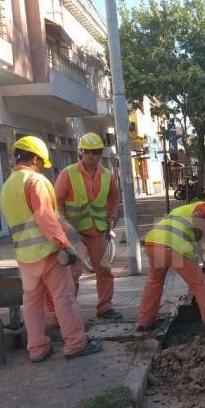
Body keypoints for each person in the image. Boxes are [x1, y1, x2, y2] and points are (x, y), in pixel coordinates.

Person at [0, 136, 102, 362]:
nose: (41, 168)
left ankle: (37, 348)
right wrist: (65, 245)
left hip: (24, 256)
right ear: (36, 159)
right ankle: (75, 343)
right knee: (63, 297)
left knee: (32, 302)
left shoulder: (7, 185)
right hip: (47, 252)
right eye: (41, 163)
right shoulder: (35, 181)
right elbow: (45, 216)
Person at [136, 189, 205, 339]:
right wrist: (204, 242)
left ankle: (145, 322)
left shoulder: (187, 208)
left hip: (153, 242)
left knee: (154, 282)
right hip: (174, 247)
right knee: (202, 287)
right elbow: (197, 218)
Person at [54, 132, 122, 320]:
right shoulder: (67, 174)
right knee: (73, 273)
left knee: (104, 270)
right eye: (86, 151)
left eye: (94, 151)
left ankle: (105, 307)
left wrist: (109, 219)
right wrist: (66, 227)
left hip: (97, 231)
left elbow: (114, 198)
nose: (90, 155)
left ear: (100, 153)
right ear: (81, 152)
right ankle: (67, 314)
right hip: (74, 233)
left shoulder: (107, 176)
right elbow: (56, 203)